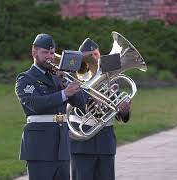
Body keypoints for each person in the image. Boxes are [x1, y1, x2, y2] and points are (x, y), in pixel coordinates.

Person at [15, 33, 87, 180]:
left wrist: (67, 81)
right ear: (34, 52)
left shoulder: (58, 78)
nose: (49, 57)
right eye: (45, 52)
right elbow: (36, 104)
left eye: (52, 53)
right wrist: (64, 94)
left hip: (61, 147)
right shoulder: (25, 78)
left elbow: (80, 103)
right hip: (39, 147)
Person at [69, 38, 132, 180]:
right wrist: (90, 97)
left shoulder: (110, 76)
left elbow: (117, 113)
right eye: (88, 55)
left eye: (95, 55)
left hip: (105, 142)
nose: (93, 58)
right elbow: (71, 101)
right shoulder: (73, 76)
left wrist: (124, 110)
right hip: (82, 143)